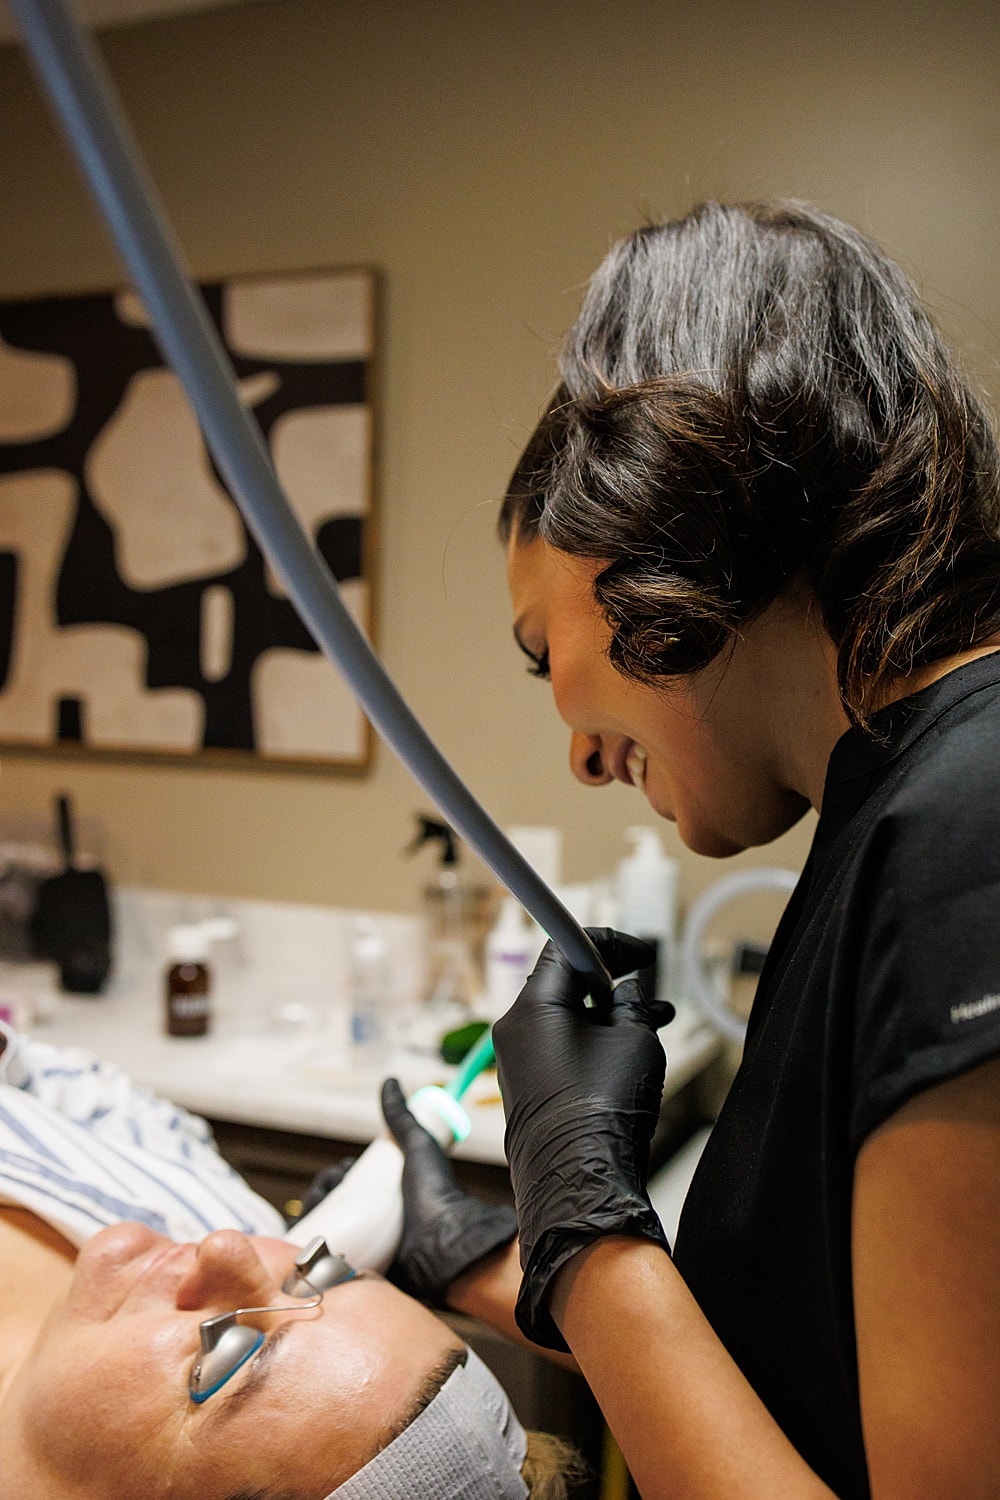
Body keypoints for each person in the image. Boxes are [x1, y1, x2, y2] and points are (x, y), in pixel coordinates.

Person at [386, 201, 1000, 1500]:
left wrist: (587, 1222)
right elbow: (814, 1374)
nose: (582, 755)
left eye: (542, 654)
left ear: (662, 544)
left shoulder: (971, 826)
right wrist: (514, 1259)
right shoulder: (900, 808)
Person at [0, 1019, 576, 1500]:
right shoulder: (227, 1215)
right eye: (321, 1274)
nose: (224, 1247)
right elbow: (73, 1089)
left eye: (225, 1353)